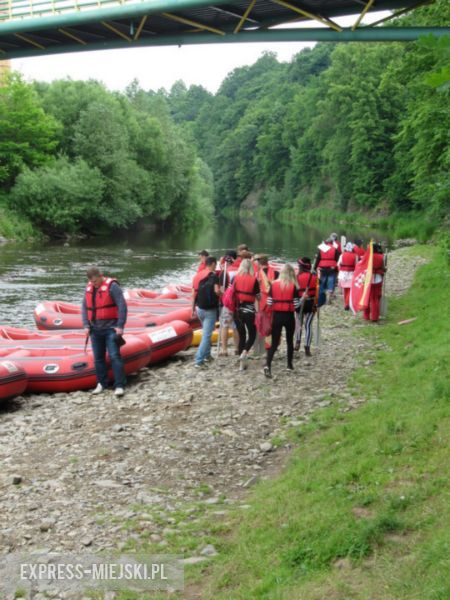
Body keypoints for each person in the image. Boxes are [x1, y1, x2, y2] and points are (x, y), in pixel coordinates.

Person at [82, 267, 128, 396]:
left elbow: (122, 306)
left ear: (101, 276)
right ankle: (101, 383)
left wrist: (120, 326)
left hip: (111, 329)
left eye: (96, 281)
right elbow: (84, 307)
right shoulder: (89, 288)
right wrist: (86, 324)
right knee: (98, 358)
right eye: (92, 282)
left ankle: (119, 385)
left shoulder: (113, 287)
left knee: (114, 356)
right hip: (95, 330)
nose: (94, 284)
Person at [264, 264, 300, 378]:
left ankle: (268, 365)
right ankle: (289, 365)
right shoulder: (293, 286)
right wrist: (302, 300)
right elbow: (296, 305)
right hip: (289, 316)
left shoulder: (273, 285)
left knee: (274, 343)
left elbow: (269, 303)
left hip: (277, 316)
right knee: (289, 341)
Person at [191, 256, 220, 367]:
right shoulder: (213, 276)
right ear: (212, 264)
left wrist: (192, 309)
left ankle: (207, 355)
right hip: (210, 310)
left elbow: (193, 294)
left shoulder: (197, 276)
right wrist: (222, 294)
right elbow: (217, 291)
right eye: (215, 264)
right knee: (207, 335)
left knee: (205, 331)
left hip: (199, 308)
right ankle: (199, 360)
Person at [233, 258, 260, 370]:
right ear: (250, 268)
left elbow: (232, 293)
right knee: (252, 334)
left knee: (242, 335)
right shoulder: (254, 280)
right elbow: (258, 297)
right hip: (249, 311)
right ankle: (244, 352)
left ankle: (241, 364)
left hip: (237, 311)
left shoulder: (235, 278)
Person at [295, 257, 318, 356]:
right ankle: (307, 347)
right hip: (311, 304)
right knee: (308, 325)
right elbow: (318, 292)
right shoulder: (315, 277)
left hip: (299, 304)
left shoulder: (296, 277)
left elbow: (294, 291)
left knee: (298, 323)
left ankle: (297, 341)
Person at [218, 252, 239, 356]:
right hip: (238, 303)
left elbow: (222, 289)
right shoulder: (239, 271)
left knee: (225, 325)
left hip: (227, 303)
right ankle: (236, 348)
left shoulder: (224, 273)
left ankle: (224, 350)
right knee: (235, 326)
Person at [313, 237, 340, 306]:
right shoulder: (335, 249)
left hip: (323, 268)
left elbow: (318, 259)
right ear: (331, 243)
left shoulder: (321, 249)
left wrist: (314, 268)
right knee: (331, 283)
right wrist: (337, 269)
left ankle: (321, 298)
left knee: (322, 282)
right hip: (332, 268)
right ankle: (329, 299)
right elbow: (337, 260)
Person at [363, 242, 385, 322]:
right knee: (375, 298)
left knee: (367, 297)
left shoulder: (367, 256)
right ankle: (375, 317)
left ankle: (366, 316)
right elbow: (382, 267)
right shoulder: (381, 257)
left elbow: (363, 266)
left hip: (368, 278)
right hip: (378, 278)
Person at [338, 242, 358, 310]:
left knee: (345, 289)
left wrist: (340, 270)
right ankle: (347, 303)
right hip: (351, 274)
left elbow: (338, 264)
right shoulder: (355, 256)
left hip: (343, 274)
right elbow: (356, 265)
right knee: (349, 290)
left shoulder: (342, 255)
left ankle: (346, 303)